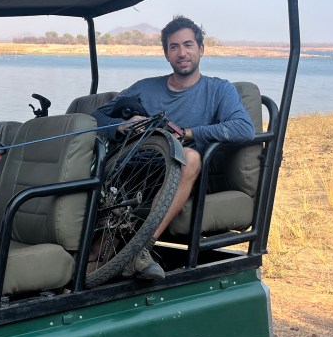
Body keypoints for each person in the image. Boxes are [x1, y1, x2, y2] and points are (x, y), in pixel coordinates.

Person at [93, 16, 255, 279]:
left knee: (189, 155)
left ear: (201, 49)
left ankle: (142, 249)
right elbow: (97, 116)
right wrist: (121, 126)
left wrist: (188, 132)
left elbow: (243, 128)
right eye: (174, 47)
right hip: (134, 169)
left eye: (188, 45)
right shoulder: (145, 88)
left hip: (180, 173)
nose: (182, 53)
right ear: (166, 54)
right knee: (93, 259)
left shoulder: (219, 90)